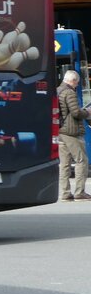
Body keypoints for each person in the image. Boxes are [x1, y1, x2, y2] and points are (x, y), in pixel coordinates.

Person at [57, 68, 90, 201]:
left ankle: (65, 193)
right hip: (71, 132)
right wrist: (87, 112)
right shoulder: (69, 92)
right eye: (76, 83)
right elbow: (76, 112)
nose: (76, 85)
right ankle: (79, 193)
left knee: (64, 164)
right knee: (82, 161)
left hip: (60, 131)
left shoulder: (58, 90)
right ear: (73, 81)